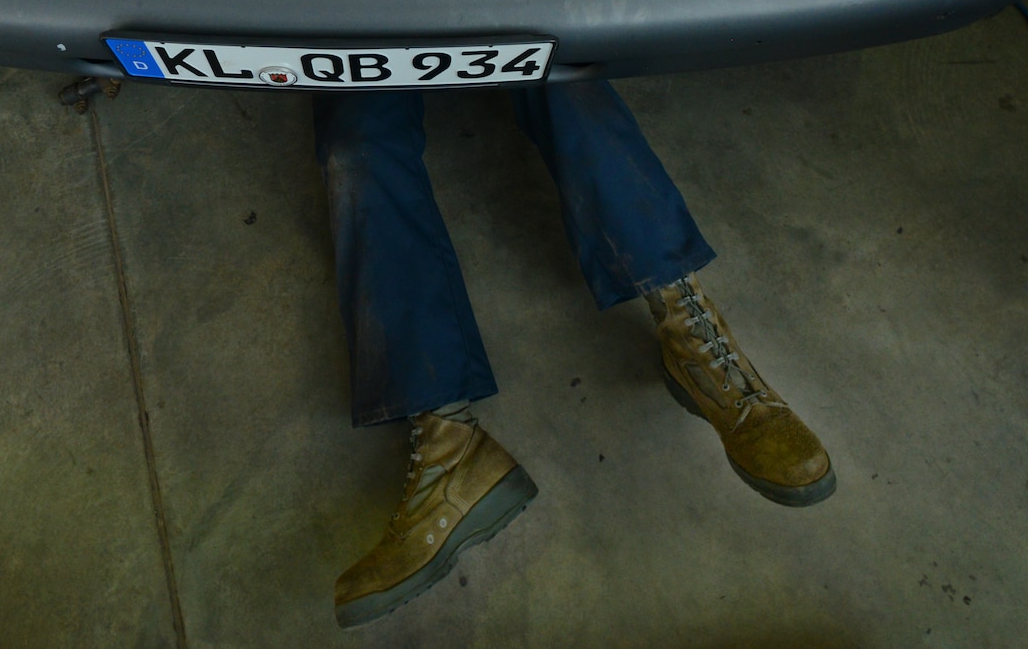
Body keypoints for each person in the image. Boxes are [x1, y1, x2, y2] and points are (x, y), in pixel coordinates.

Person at [316, 82, 835, 628]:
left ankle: (693, 336)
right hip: (370, 6)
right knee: (356, 145)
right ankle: (447, 448)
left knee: (566, 80)